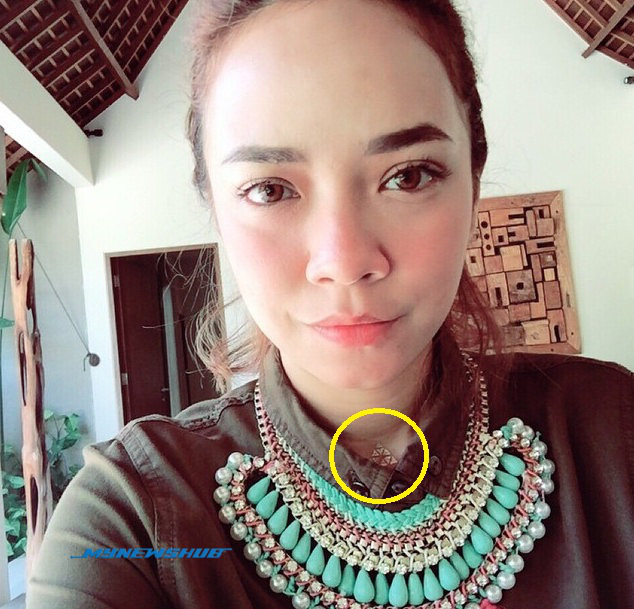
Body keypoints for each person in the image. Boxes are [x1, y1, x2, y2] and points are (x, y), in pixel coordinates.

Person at [26, 0, 633, 608]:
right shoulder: (132, 521)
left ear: (472, 179)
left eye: (409, 175)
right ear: (215, 206)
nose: (344, 261)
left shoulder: (614, 432)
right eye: (270, 189)